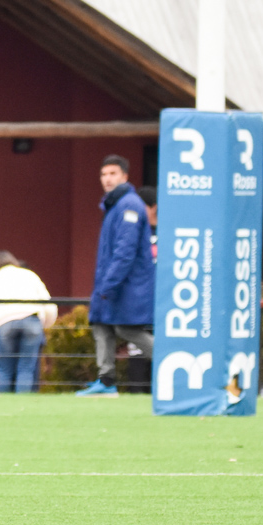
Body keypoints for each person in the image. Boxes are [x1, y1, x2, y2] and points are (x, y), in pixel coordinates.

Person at [78, 154, 155, 397]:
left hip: (127, 284)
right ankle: (106, 381)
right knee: (101, 325)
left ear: (124, 176)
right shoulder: (114, 206)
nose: (107, 179)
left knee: (126, 329)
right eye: (103, 174)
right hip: (113, 281)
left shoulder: (129, 205)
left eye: (113, 174)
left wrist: (109, 284)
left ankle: (172, 363)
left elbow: (125, 251)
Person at [0, 251, 57, 393]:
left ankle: (2, 406)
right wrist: (44, 324)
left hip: (5, 323)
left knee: (4, 369)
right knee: (26, 368)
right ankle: (23, 406)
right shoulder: (29, 275)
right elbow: (49, 305)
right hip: (32, 320)